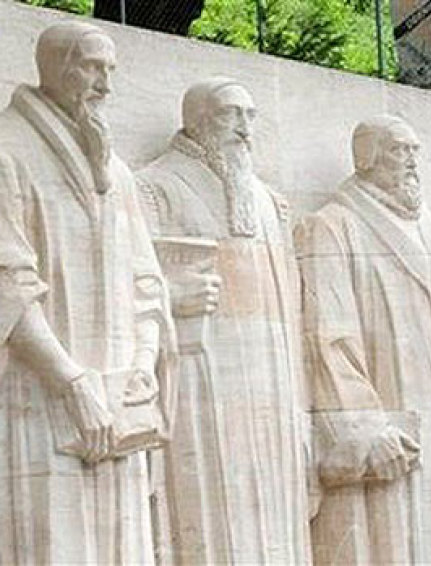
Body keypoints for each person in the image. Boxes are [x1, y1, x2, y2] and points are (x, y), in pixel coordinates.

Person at [0, 21, 176, 564]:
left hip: (119, 405)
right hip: (32, 405)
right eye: (91, 67)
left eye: (111, 70)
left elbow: (145, 280)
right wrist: (70, 382)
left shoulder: (119, 175)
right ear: (54, 67)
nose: (105, 85)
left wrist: (142, 366)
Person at [296, 115, 431, 564]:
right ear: (366, 159)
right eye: (398, 150)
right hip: (394, 420)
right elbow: (327, 339)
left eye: (414, 150)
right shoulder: (332, 227)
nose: (412, 161)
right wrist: (365, 428)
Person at [136, 77, 312, 564]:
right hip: (198, 382)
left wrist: (301, 412)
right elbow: (126, 284)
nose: (245, 127)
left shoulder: (270, 202)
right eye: (231, 114)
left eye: (251, 115)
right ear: (195, 121)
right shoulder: (154, 186)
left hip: (273, 389)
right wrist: (172, 296)